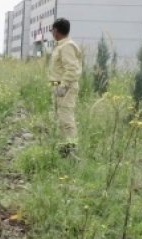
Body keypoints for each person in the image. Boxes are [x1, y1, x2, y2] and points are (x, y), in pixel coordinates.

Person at [49, 18, 82, 151]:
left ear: (56, 31)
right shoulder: (61, 45)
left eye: (52, 30)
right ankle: (64, 146)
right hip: (59, 87)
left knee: (66, 118)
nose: (52, 32)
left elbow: (72, 69)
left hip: (65, 88)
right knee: (60, 118)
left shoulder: (67, 46)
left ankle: (71, 149)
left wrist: (63, 86)